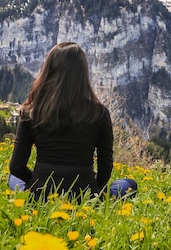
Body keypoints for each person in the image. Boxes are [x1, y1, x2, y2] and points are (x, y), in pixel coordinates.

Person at [9, 42, 114, 200]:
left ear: (49, 70)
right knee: (128, 185)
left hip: (41, 192)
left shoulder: (31, 111)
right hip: (84, 193)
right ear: (83, 74)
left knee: (12, 179)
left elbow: (16, 167)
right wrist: (93, 190)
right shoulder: (99, 113)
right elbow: (105, 170)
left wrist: (34, 182)